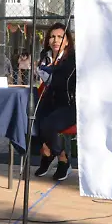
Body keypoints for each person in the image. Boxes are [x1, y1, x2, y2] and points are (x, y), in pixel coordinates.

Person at [33, 22, 76, 182]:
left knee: (49, 124)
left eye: (60, 36)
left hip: (69, 104)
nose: (55, 40)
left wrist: (52, 71)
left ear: (67, 41)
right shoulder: (46, 56)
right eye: (52, 37)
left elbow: (62, 80)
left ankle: (63, 159)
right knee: (30, 119)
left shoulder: (72, 58)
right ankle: (47, 152)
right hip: (50, 101)